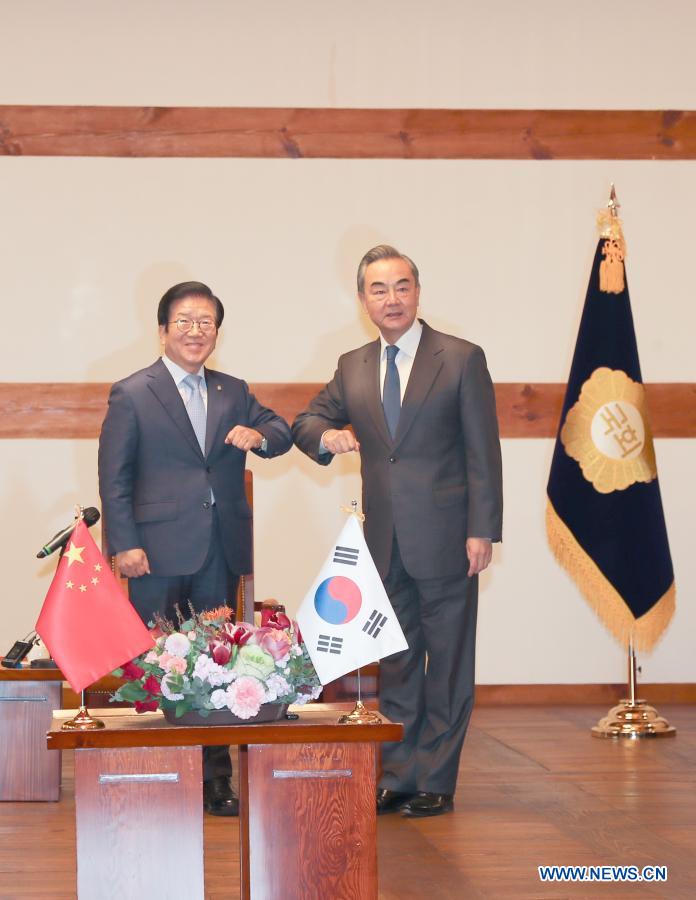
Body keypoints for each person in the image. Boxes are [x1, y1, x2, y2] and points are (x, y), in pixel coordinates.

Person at [292, 246, 503, 818]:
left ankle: (437, 778)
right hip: (383, 543)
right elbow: (308, 420)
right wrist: (326, 437)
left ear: (418, 292)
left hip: (450, 538)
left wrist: (483, 529)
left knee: (449, 664)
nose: (392, 299)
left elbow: (483, 452)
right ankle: (400, 775)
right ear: (363, 300)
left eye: (402, 286)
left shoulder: (460, 358)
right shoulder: (353, 365)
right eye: (379, 289)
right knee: (398, 663)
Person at [98, 280, 293, 816]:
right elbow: (114, 478)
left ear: (217, 332)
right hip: (154, 552)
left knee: (215, 661)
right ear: (163, 330)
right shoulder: (132, 392)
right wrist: (124, 545)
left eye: (205, 322)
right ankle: (154, 773)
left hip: (218, 550)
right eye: (183, 321)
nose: (195, 331)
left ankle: (214, 778)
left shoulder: (233, 391)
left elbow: (279, 430)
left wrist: (259, 437)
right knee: (155, 662)